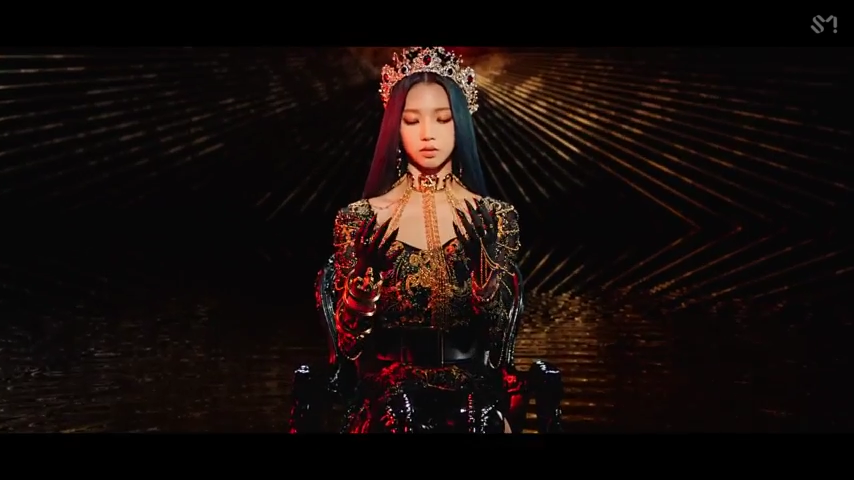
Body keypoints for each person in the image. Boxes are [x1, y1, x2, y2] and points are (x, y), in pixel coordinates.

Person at [328, 47, 523, 433]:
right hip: (389, 393)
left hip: (471, 391)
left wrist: (484, 283)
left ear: (460, 123)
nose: (428, 133)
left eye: (443, 119)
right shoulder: (361, 219)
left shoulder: (494, 218)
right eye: (412, 120)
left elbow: (500, 341)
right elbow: (347, 347)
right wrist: (361, 296)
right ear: (395, 128)